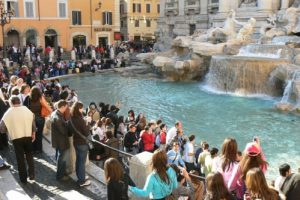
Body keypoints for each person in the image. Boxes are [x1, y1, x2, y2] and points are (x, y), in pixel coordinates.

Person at [0, 95, 36, 183]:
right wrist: (33, 133)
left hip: (16, 138)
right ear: (19, 101)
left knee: (20, 159)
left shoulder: (8, 112)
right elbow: (33, 122)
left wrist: (10, 129)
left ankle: (23, 179)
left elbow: (2, 129)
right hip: (27, 135)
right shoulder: (26, 110)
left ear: (11, 103)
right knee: (29, 155)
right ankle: (31, 174)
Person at [69, 101, 91, 187]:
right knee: (82, 162)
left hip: (76, 142)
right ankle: (82, 181)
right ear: (78, 108)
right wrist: (88, 123)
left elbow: (71, 129)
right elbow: (86, 132)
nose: (82, 109)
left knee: (78, 160)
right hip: (82, 143)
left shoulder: (71, 117)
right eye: (81, 108)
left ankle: (80, 176)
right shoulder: (80, 120)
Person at [27, 86, 52, 153]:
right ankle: (39, 149)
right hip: (40, 118)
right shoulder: (41, 98)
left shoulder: (28, 98)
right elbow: (48, 108)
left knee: (32, 133)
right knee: (39, 134)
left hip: (31, 118)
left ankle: (32, 149)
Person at [50, 100, 70, 181]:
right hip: (61, 141)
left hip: (57, 140)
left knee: (59, 156)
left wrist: (66, 122)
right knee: (61, 157)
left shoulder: (55, 113)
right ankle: (60, 176)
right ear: (62, 107)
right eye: (66, 107)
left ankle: (62, 171)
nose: (66, 108)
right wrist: (68, 125)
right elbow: (63, 131)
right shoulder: (57, 117)